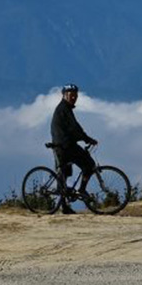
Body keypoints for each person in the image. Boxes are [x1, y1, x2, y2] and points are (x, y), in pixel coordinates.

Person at [51, 84, 98, 213]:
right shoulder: (64, 109)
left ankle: (64, 207)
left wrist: (83, 138)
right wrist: (87, 139)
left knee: (64, 175)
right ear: (64, 95)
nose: (74, 97)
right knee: (89, 165)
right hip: (65, 146)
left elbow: (73, 128)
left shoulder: (64, 108)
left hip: (62, 146)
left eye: (75, 95)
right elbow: (74, 128)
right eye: (71, 94)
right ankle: (81, 190)